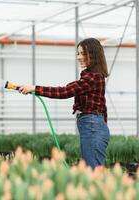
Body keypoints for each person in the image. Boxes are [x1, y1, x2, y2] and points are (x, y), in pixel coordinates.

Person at [18, 38, 110, 169]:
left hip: (92, 127)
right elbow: (102, 105)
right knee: (92, 170)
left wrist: (34, 88)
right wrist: (102, 126)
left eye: (83, 53)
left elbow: (64, 92)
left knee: (93, 172)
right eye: (78, 53)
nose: (79, 57)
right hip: (93, 126)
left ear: (93, 54)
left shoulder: (93, 77)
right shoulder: (92, 76)